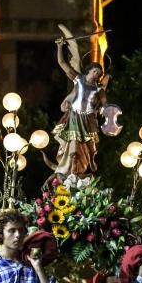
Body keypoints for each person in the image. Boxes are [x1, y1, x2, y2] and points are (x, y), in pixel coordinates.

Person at [50, 37, 107, 178]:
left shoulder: (98, 89)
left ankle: (84, 165)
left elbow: (106, 105)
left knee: (87, 147)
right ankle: (72, 171)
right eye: (95, 72)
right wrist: (59, 47)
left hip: (88, 120)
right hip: (75, 117)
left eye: (99, 74)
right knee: (73, 145)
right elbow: (62, 63)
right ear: (89, 71)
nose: (97, 75)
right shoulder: (79, 79)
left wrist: (103, 111)